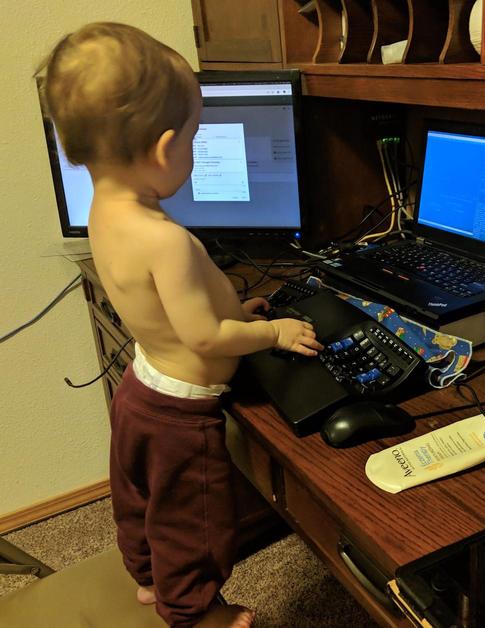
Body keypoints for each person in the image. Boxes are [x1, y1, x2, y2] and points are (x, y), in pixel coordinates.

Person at [40, 22, 323, 627]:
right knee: (192, 519)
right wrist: (271, 333)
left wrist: (232, 313)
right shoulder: (165, 239)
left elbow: (173, 315)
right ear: (166, 149)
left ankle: (148, 578)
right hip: (181, 413)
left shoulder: (104, 212)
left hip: (140, 388)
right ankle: (193, 613)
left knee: (139, 499)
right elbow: (202, 338)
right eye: (195, 141)